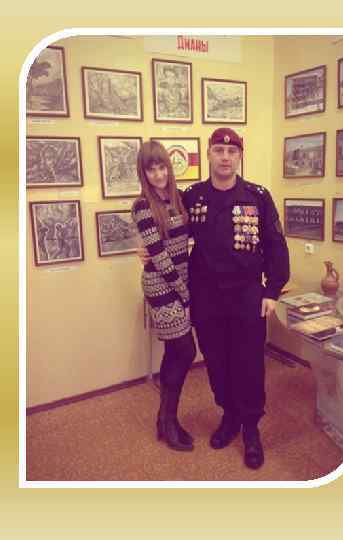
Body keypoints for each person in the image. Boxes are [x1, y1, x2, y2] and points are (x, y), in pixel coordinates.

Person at [139, 128, 290, 469]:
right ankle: (229, 415)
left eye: (231, 151)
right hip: (206, 297)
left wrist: (273, 290)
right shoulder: (192, 197)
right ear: (208, 154)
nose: (225, 157)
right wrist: (146, 249)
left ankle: (251, 428)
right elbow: (166, 227)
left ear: (239, 156)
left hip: (247, 295)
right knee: (217, 363)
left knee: (249, 364)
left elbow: (276, 245)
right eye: (219, 150)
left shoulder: (257, 196)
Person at [132, 140, 196, 452]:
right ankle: (167, 420)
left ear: (169, 168)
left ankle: (166, 419)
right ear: (143, 173)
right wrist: (184, 294)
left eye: (161, 167)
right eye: (151, 170)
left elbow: (193, 237)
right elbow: (158, 256)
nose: (158, 174)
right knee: (184, 350)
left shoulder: (179, 198)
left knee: (175, 351)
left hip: (181, 283)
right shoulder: (142, 206)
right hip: (161, 286)